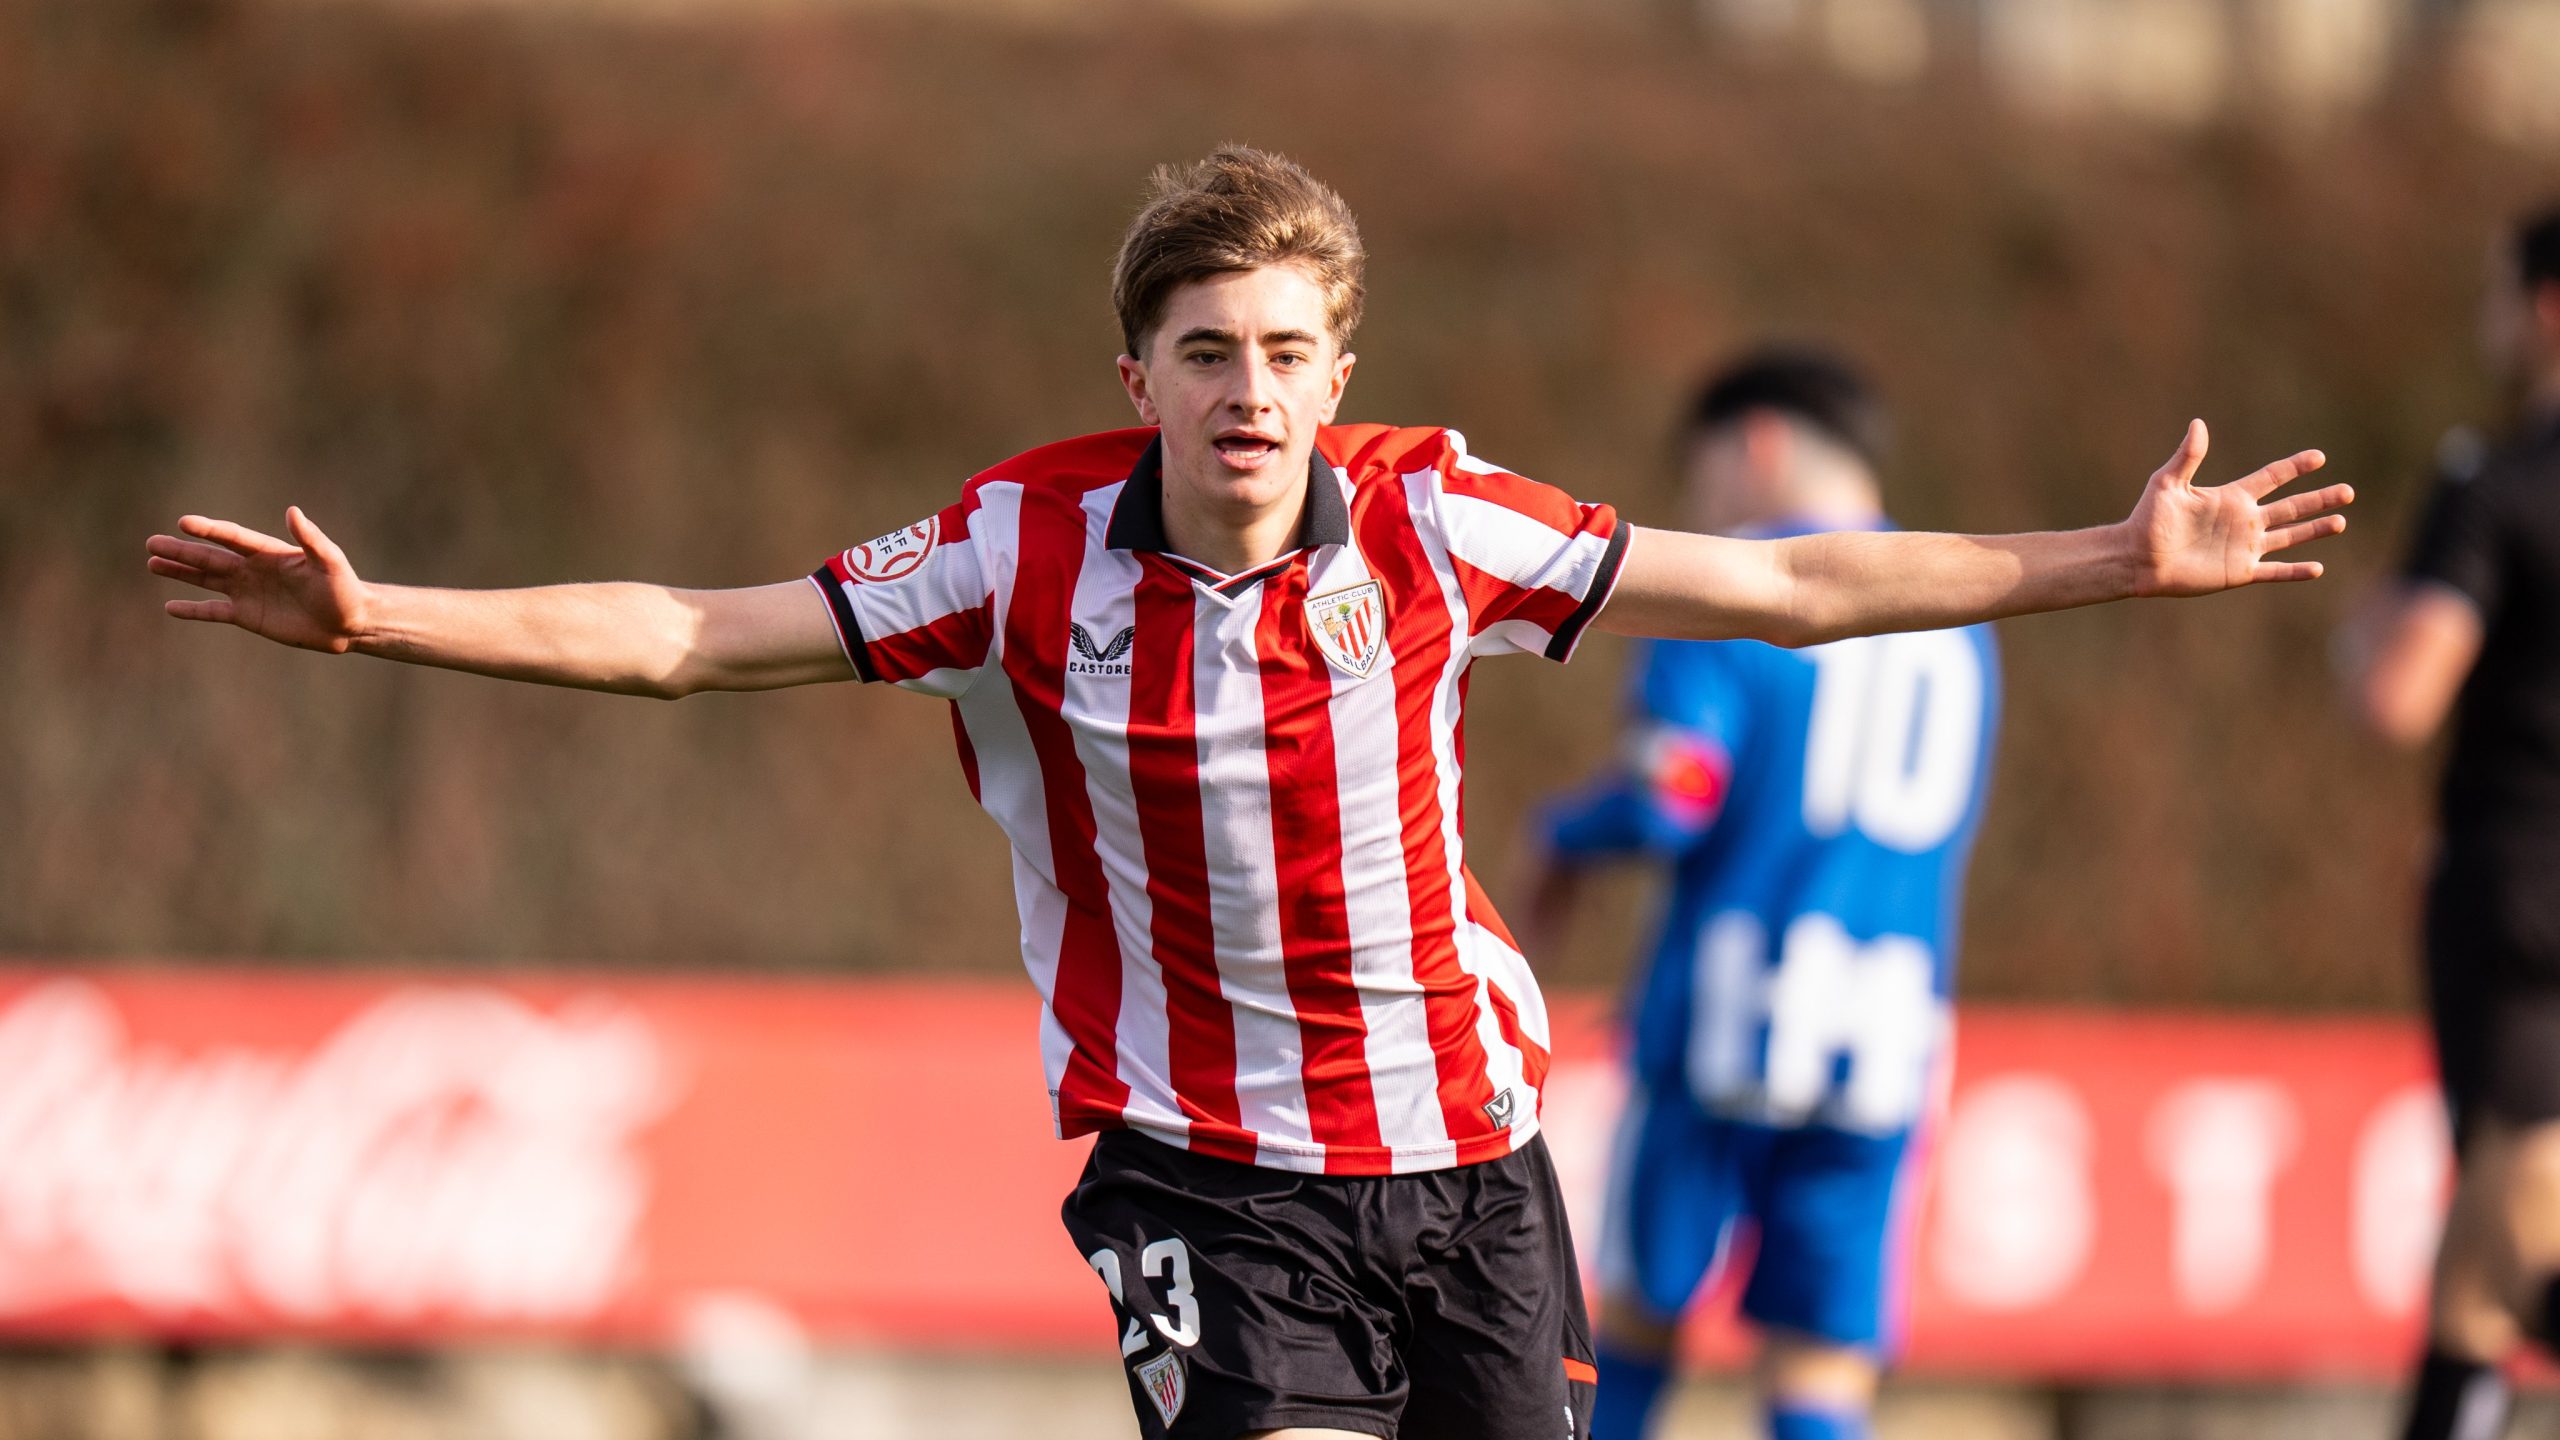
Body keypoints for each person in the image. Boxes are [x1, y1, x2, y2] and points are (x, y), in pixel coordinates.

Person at [147, 146, 2347, 1440]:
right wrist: (386, 616)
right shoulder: (1016, 547)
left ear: (1339, 375)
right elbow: (684, 639)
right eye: (1207, 352)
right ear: (1138, 378)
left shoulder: (1434, 528)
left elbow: (1787, 586)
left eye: (1289, 353)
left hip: (1472, 1170)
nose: (1249, 395)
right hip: (1210, 1183)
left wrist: (2106, 560)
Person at [1517, 350, 1994, 1440]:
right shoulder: (1959, 622)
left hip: (1724, 1015)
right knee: (1820, 1367)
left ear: (1756, 443)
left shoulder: (1726, 582)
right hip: (1886, 1032)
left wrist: (1560, 835)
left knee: (1633, 1323)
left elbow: (1672, 791)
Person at [2342, 204, 2560, 1440]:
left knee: (2502, 1252)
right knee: (2485, 1253)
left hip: (2519, 896)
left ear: (2543, 305)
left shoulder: (2498, 483)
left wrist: (2364, 635)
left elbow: (2399, 697)